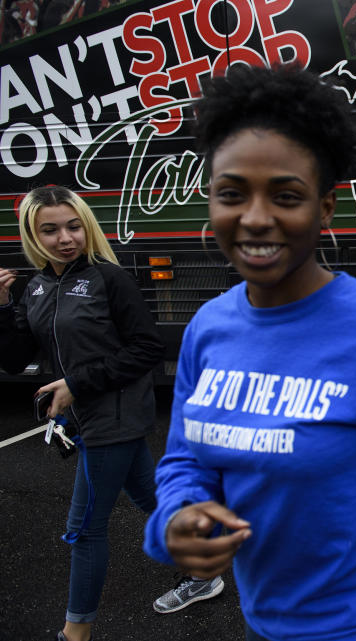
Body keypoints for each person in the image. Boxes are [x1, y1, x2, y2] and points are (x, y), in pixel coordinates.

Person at [141, 64, 356, 641]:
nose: (256, 218)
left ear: (325, 208)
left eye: (286, 195)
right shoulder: (207, 329)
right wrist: (176, 519)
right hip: (265, 625)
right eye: (231, 193)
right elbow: (188, 460)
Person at [0, 186, 215, 641]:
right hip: (82, 418)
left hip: (114, 416)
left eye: (73, 226)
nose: (65, 238)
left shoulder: (109, 278)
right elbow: (15, 359)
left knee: (83, 530)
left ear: (87, 226)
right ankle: (205, 566)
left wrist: (77, 384)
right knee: (147, 497)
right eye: (51, 229)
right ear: (32, 234)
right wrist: (2, 308)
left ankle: (74, 634)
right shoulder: (37, 286)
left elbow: (147, 349)